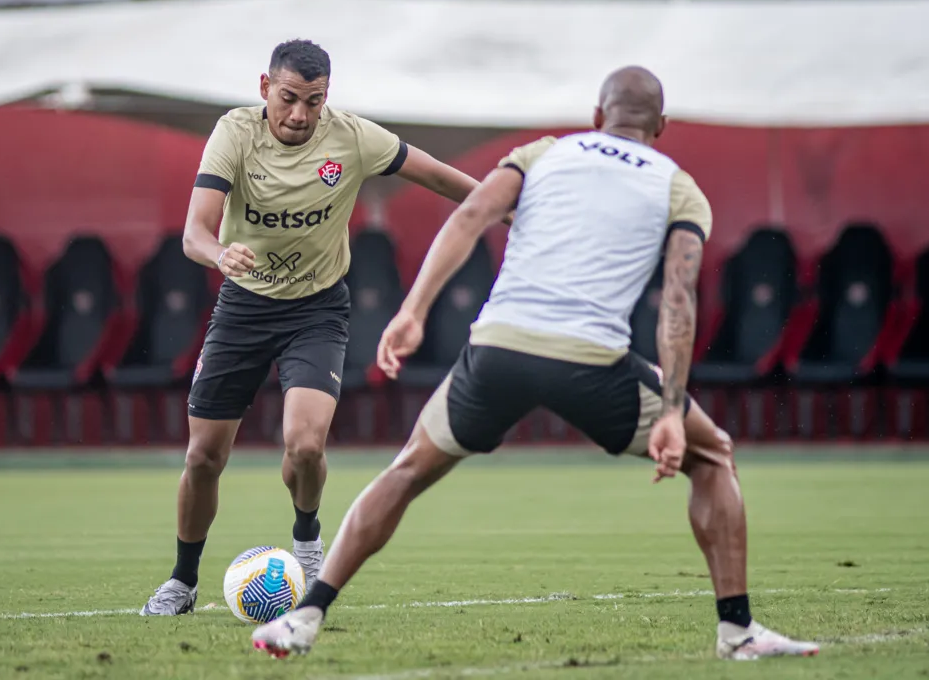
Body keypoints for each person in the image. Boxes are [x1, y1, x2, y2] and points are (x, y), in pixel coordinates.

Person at [252, 66, 821, 661]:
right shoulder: (679, 187)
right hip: (591, 362)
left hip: (499, 349)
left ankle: (305, 618)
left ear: (598, 117)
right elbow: (678, 301)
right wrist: (673, 412)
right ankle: (737, 632)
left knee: (406, 472)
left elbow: (469, 216)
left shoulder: (544, 153)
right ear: (662, 126)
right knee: (712, 455)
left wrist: (413, 310)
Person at [140, 39, 482, 616]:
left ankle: (305, 543)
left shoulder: (352, 138)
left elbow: (443, 180)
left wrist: (508, 205)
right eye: (290, 98)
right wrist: (219, 254)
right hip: (243, 308)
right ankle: (182, 581)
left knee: (303, 444)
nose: (300, 114)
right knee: (203, 457)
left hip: (317, 310)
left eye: (314, 101)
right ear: (265, 88)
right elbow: (194, 231)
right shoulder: (235, 134)